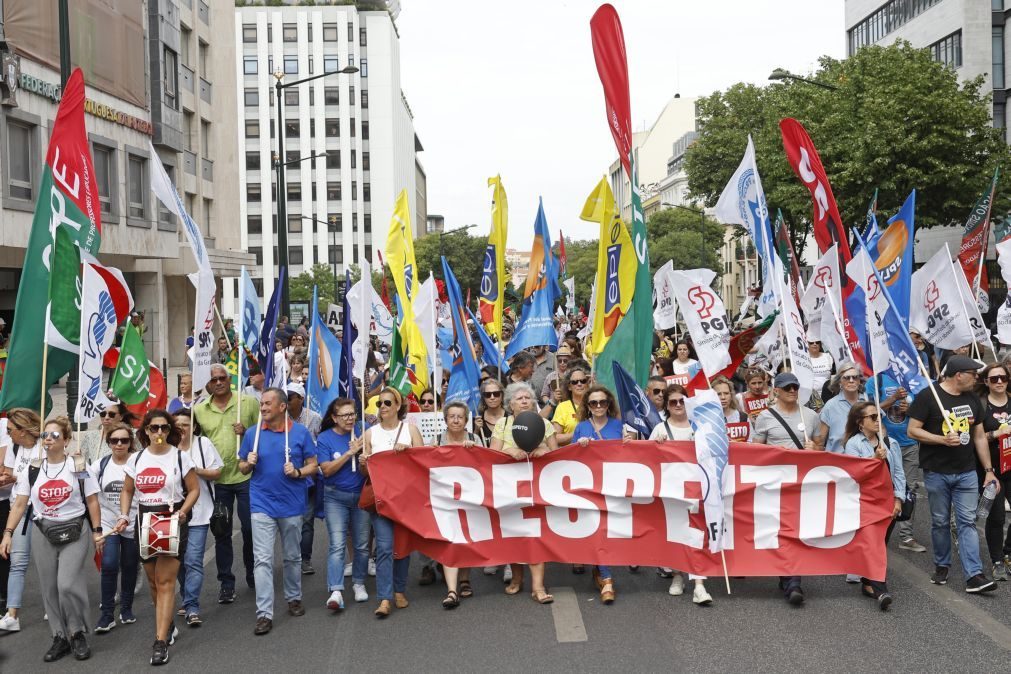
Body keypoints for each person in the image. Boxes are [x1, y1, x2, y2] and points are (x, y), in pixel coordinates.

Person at [1, 417, 104, 662]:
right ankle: (60, 637)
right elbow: (19, 504)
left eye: (55, 435)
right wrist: (8, 533)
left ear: (66, 440)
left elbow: (91, 500)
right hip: (43, 531)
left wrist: (98, 530)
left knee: (66, 584)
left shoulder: (78, 466)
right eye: (46, 435)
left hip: (75, 530)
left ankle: (77, 632)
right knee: (49, 588)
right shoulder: (33, 469)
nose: (48, 439)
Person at [906, 354, 999, 592]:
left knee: (967, 521)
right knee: (939, 521)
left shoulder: (971, 399)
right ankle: (942, 565)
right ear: (959, 375)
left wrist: (988, 470)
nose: (977, 379)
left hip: (966, 472)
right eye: (973, 374)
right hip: (937, 472)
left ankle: (974, 576)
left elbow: (978, 436)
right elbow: (912, 430)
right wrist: (940, 439)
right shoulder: (928, 396)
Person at [114, 409, 199, 665]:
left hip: (172, 518)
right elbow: (127, 491)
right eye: (154, 428)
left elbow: (194, 490)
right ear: (146, 431)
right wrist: (124, 515)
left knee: (165, 582)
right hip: (145, 519)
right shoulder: (137, 459)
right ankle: (168, 622)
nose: (159, 433)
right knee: (152, 582)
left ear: (170, 431)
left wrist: (184, 512)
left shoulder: (180, 458)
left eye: (164, 428)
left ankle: (160, 641)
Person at [237, 388, 318, 635]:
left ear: (282, 407)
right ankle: (264, 613)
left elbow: (313, 466)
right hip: (261, 504)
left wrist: (297, 472)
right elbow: (240, 467)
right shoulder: (253, 434)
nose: (262, 408)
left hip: (292, 505)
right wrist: (246, 464)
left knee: (292, 556)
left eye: (267, 404)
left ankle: (293, 597)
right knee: (262, 559)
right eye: (261, 404)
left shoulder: (300, 433)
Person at [192, 363, 259, 604]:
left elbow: (261, 433)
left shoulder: (247, 403)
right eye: (214, 380)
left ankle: (253, 572)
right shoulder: (198, 411)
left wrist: (247, 430)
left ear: (229, 379)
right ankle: (226, 583)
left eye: (223, 378)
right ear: (208, 384)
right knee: (222, 532)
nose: (219, 382)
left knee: (251, 530)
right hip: (217, 482)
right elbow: (194, 441)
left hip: (246, 476)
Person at [753, 372, 819, 605]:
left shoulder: (810, 416)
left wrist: (814, 451)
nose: (792, 390)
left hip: (802, 485)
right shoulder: (765, 417)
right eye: (787, 387)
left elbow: (822, 450)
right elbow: (754, 451)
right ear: (776, 391)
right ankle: (792, 580)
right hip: (775, 484)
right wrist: (772, 454)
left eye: (795, 386)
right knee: (782, 531)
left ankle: (790, 578)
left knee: (797, 531)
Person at [489, 382, 558, 604]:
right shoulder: (503, 424)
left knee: (536, 536)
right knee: (514, 535)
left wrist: (543, 450)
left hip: (538, 489)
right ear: (510, 404)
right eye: (519, 398)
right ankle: (517, 578)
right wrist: (509, 450)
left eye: (528, 397)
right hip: (509, 490)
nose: (525, 401)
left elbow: (557, 455)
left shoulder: (545, 423)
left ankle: (538, 586)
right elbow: (491, 454)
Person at [647, 385, 713, 605]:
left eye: (681, 401)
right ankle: (677, 576)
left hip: (697, 488)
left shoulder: (701, 426)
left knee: (696, 535)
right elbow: (645, 459)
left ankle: (699, 584)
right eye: (673, 401)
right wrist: (656, 446)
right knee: (676, 534)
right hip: (671, 490)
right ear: (666, 405)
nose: (677, 405)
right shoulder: (659, 428)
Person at [361, 387, 424, 617]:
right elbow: (364, 471)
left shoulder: (411, 430)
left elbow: (424, 463)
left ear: (398, 406)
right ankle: (385, 598)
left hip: (406, 499)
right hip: (381, 499)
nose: (383, 408)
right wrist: (362, 461)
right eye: (379, 404)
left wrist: (408, 451)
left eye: (387, 403)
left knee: (402, 548)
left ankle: (399, 590)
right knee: (385, 547)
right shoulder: (370, 434)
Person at [842, 402, 904, 610]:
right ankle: (881, 590)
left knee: (880, 545)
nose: (878, 420)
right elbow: (855, 474)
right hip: (866, 502)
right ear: (861, 423)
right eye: (872, 417)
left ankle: (868, 583)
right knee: (874, 546)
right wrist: (874, 458)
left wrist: (898, 499)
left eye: (879, 416)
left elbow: (898, 474)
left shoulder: (891, 443)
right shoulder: (853, 444)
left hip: (887, 503)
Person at [571, 385, 623, 604]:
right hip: (589, 488)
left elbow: (628, 454)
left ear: (609, 404)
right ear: (588, 406)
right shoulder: (581, 428)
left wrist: (628, 442)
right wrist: (579, 447)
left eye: (603, 402)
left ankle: (599, 569)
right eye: (594, 403)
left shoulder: (620, 426)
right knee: (598, 529)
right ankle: (607, 578)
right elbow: (570, 460)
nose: (599, 406)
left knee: (609, 532)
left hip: (614, 486)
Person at [317, 398, 369, 611]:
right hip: (335, 497)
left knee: (362, 544)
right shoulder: (324, 438)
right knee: (337, 543)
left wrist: (363, 455)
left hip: (361, 496)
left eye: (352, 414)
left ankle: (358, 582)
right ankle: (336, 590)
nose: (350, 418)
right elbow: (326, 470)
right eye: (345, 415)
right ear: (334, 418)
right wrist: (350, 453)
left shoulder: (364, 431)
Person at [174, 410, 223, 627]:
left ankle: (192, 606)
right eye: (177, 425)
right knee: (178, 561)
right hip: (171, 515)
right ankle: (187, 595)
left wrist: (194, 470)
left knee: (193, 559)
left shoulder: (203, 444)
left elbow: (217, 472)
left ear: (193, 427)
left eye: (186, 424)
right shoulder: (165, 448)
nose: (181, 429)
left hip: (199, 512)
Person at [90, 423, 140, 633]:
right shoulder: (100, 465)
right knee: (109, 564)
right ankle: (107, 614)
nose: (119, 444)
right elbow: (87, 490)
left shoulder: (138, 462)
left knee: (129, 566)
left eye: (124, 440)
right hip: (109, 524)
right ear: (108, 443)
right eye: (114, 440)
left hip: (133, 522)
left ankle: (126, 609)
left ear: (131, 442)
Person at [868, 373, 926, 553]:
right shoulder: (875, 381)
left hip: (909, 444)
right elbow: (869, 411)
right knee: (878, 489)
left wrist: (910, 410)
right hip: (884, 444)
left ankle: (906, 536)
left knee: (909, 489)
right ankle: (875, 533)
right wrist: (892, 399)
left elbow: (924, 411)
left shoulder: (914, 378)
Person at [436, 401, 483, 609]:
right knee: (449, 541)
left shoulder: (475, 439)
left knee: (466, 540)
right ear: (445, 419)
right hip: (444, 500)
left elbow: (488, 466)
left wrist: (475, 452)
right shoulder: (436, 440)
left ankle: (465, 579)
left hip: (470, 500)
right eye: (452, 416)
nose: (455, 420)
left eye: (460, 417)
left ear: (466, 421)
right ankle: (452, 591)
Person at [0, 408, 43, 633]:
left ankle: (53, 606)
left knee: (47, 564)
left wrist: (19, 477)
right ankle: (12, 615)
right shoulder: (14, 447)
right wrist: (9, 478)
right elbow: (12, 474)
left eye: (10, 430)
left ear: (23, 430)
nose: (8, 435)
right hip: (18, 508)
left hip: (42, 512)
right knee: (18, 562)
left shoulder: (43, 447)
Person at [976, 363, 1011, 580]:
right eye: (994, 378)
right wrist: (996, 434)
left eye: (1003, 378)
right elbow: (976, 439)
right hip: (992, 468)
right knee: (997, 516)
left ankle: (1008, 552)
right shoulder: (980, 404)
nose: (999, 382)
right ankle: (997, 560)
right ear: (986, 381)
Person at [815, 363, 864, 453]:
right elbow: (820, 441)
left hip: (865, 461)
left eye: (855, 377)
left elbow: (880, 430)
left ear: (859, 381)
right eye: (846, 378)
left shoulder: (868, 402)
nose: (851, 380)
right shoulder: (830, 405)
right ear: (839, 382)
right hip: (838, 462)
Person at [551, 365, 591, 445]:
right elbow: (555, 438)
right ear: (569, 387)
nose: (579, 384)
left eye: (583, 381)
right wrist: (578, 434)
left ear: (587, 384)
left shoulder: (596, 404)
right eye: (574, 382)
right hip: (571, 454)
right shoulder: (562, 407)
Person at [712, 376, 751, 442]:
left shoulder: (743, 417)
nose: (723, 397)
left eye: (726, 393)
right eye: (719, 394)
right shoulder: (707, 419)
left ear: (731, 395)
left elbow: (751, 442)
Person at [474, 378, 506, 447]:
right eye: (488, 395)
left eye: (496, 394)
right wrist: (476, 430)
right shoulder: (478, 420)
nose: (492, 397)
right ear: (483, 397)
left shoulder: (511, 417)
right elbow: (473, 447)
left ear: (502, 395)